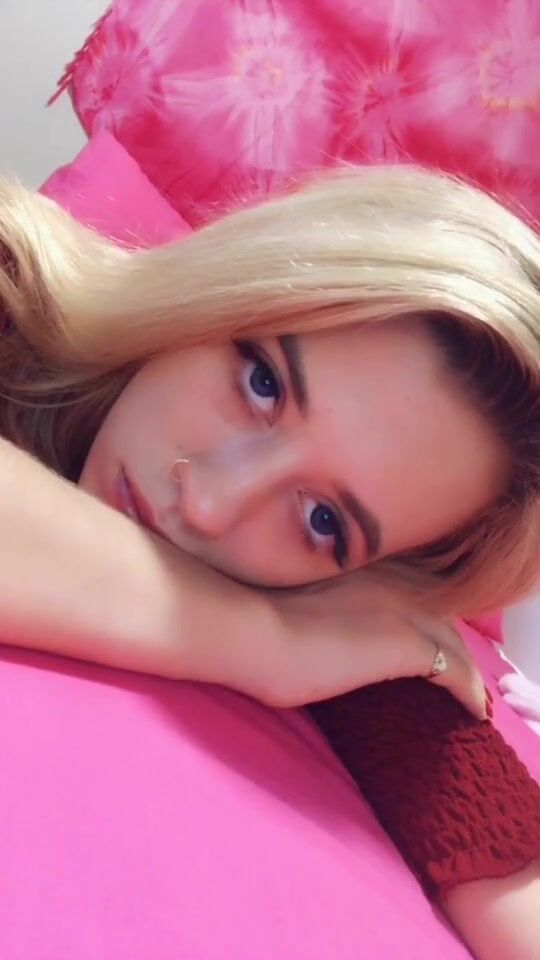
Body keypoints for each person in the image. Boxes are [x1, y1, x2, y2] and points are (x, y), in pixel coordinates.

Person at [0, 164, 539, 959]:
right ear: (229, 289)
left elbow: (504, 871)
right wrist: (255, 637)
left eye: (324, 520)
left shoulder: (334, 605)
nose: (211, 504)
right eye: (261, 382)